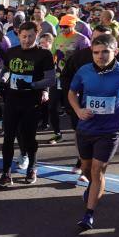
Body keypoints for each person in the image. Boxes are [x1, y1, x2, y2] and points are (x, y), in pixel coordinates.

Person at [68, 34, 119, 230]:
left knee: (97, 170)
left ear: (115, 52)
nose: (100, 56)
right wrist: (78, 110)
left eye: (105, 52)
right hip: (85, 129)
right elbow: (71, 93)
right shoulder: (84, 71)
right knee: (86, 169)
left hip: (109, 131)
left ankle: (88, 214)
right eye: (96, 52)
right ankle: (94, 187)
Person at [0, 22, 55, 188]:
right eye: (23, 36)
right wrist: (3, 81)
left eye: (30, 36)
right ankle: (6, 173)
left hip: (31, 102)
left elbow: (51, 79)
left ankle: (32, 167)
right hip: (12, 100)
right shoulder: (13, 51)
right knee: (8, 138)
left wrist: (32, 85)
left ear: (37, 35)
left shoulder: (44, 54)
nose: (27, 40)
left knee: (28, 138)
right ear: (18, 35)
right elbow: (7, 70)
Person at [48, 15, 91, 144]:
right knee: (52, 106)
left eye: (66, 27)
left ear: (74, 25)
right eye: (61, 27)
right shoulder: (58, 38)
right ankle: (57, 133)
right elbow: (52, 56)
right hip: (58, 77)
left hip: (74, 78)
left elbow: (87, 61)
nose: (63, 29)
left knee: (71, 108)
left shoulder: (82, 40)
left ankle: (78, 133)